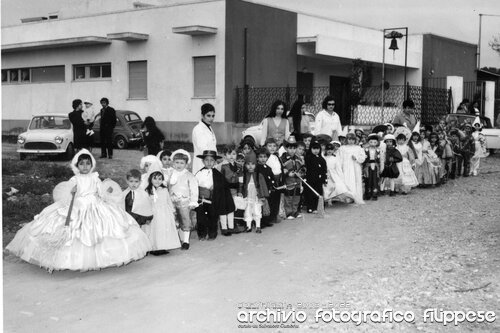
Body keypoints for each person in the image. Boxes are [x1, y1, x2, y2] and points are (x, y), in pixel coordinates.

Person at [6, 149, 151, 272]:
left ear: (92, 165)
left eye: (88, 163)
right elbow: (65, 193)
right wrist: (71, 191)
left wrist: (106, 193)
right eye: (82, 164)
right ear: (77, 166)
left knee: (108, 228)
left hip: (95, 205)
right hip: (78, 205)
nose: (85, 166)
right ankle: (64, 259)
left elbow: (102, 192)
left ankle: (103, 257)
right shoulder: (74, 179)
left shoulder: (95, 178)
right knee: (72, 227)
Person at [195, 150, 235, 240]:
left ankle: (212, 234)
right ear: (203, 161)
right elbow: (194, 185)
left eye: (211, 160)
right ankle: (201, 234)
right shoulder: (199, 173)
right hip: (201, 200)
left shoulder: (218, 175)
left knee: (212, 218)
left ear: (215, 162)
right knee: (201, 218)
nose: (209, 162)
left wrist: (216, 187)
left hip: (213, 200)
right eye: (206, 160)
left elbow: (223, 186)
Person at [168, 150, 199, 250]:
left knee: (185, 220)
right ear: (173, 163)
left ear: (186, 164)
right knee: (174, 219)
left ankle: (186, 241)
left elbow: (194, 189)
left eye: (182, 163)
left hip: (184, 201)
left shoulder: (189, 175)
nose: (179, 165)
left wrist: (193, 201)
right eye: (177, 162)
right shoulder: (171, 174)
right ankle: (176, 239)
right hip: (172, 200)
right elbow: (168, 187)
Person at [144, 171, 181, 255]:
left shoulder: (164, 189)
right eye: (155, 179)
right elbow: (146, 203)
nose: (157, 181)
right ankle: (154, 248)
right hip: (153, 213)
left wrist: (173, 211)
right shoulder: (148, 190)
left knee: (163, 229)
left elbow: (168, 200)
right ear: (150, 179)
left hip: (164, 213)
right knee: (155, 230)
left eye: (160, 179)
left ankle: (163, 246)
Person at [239, 153, 269, 233]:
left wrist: (264, 196)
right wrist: (240, 192)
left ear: (256, 165)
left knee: (257, 211)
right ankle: (248, 226)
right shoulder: (243, 175)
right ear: (245, 165)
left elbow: (263, 186)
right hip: (247, 197)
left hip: (256, 197)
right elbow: (241, 185)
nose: (250, 166)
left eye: (253, 164)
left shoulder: (259, 175)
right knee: (247, 212)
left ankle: (258, 226)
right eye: (248, 164)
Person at [280, 138, 304, 219]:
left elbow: (303, 168)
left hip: (297, 180)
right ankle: (288, 212)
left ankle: (295, 211)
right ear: (286, 148)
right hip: (288, 181)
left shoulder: (298, 158)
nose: (292, 150)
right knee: (288, 197)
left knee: (297, 197)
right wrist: (287, 173)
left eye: (294, 148)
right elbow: (281, 169)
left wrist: (301, 173)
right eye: (290, 148)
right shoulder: (283, 158)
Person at [339, 133, 366, 203]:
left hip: (355, 167)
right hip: (346, 167)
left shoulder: (358, 148)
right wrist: (340, 167)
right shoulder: (342, 148)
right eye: (349, 139)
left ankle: (356, 197)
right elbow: (340, 158)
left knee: (356, 181)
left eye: (353, 139)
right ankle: (348, 197)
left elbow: (363, 157)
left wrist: (356, 158)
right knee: (347, 181)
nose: (351, 141)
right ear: (347, 140)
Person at [220, 144, 240, 235]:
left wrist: (239, 191)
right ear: (225, 155)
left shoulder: (239, 166)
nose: (232, 156)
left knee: (232, 208)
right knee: (224, 209)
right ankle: (224, 227)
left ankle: (231, 226)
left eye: (234, 154)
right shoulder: (223, 167)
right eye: (229, 154)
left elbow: (240, 180)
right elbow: (221, 180)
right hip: (225, 190)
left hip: (234, 190)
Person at [192, 103, 217, 174]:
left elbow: (212, 146)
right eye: (208, 116)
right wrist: (213, 159)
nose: (211, 118)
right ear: (202, 115)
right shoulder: (198, 129)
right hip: (202, 163)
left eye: (213, 116)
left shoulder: (208, 127)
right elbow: (203, 148)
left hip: (210, 162)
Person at [304, 140, 327, 213]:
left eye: (317, 149)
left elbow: (324, 170)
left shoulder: (322, 159)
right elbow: (305, 169)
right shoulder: (307, 158)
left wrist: (324, 179)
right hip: (310, 179)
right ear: (310, 149)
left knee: (318, 193)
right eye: (314, 149)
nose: (316, 150)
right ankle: (310, 207)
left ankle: (317, 207)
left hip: (319, 180)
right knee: (309, 193)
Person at [256, 147, 276, 228]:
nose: (263, 159)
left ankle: (266, 220)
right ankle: (260, 222)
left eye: (265, 157)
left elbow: (272, 178)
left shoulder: (268, 168)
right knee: (260, 206)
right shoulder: (257, 168)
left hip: (268, 190)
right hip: (261, 190)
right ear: (257, 158)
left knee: (267, 205)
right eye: (261, 157)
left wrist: (272, 186)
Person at [265, 138, 283, 224]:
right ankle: (269, 217)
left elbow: (280, 168)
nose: (272, 148)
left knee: (276, 199)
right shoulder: (265, 157)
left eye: (274, 146)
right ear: (266, 147)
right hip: (270, 180)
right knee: (270, 200)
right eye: (269, 146)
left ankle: (275, 215)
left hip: (278, 180)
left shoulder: (276, 157)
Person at [363, 133, 382, 200]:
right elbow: (364, 158)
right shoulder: (365, 150)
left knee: (375, 180)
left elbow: (380, 159)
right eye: (371, 142)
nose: (373, 143)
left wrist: (381, 167)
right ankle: (367, 194)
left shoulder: (378, 150)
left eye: (375, 142)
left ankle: (374, 194)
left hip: (375, 166)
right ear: (368, 142)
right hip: (368, 166)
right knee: (368, 179)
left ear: (377, 142)